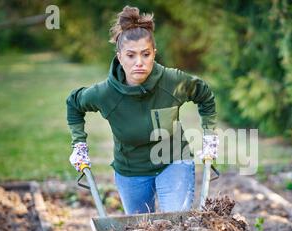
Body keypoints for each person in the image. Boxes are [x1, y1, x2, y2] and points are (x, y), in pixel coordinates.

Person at [66, 5, 219, 215]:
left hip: (173, 161)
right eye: (131, 55)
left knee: (177, 224)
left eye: (145, 54)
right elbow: (74, 103)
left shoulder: (172, 81)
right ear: (120, 57)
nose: (139, 62)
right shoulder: (105, 94)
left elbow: (205, 95)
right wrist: (79, 144)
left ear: (154, 54)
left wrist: (209, 137)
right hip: (131, 170)